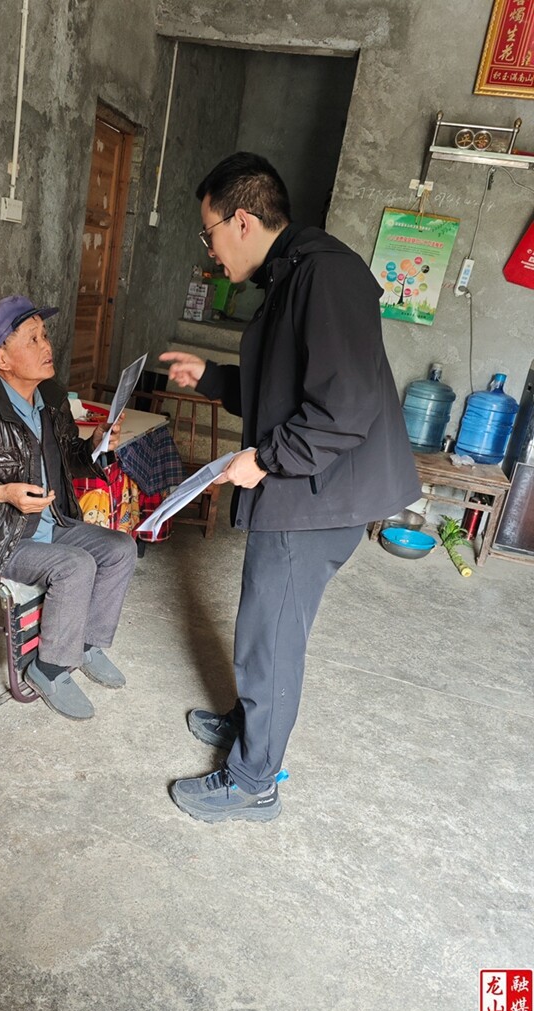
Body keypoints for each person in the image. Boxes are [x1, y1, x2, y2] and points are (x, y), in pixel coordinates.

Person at [161, 153, 420, 823]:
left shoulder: (324, 275)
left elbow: (344, 409)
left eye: (209, 233)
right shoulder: (293, 271)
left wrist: (267, 460)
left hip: (318, 494)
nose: (210, 250)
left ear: (242, 221)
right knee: (267, 626)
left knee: (271, 634)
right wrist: (210, 378)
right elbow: (284, 386)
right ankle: (251, 724)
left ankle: (254, 781)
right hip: (312, 485)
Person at [0, 294, 137, 721]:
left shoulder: (50, 397)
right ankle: (49, 669)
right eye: (32, 339)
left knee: (120, 548)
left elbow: (68, 457)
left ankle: (86, 645)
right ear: (2, 358)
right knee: (75, 567)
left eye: (45, 335)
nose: (46, 346)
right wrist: (0, 494)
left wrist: (98, 444)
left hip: (50, 520)